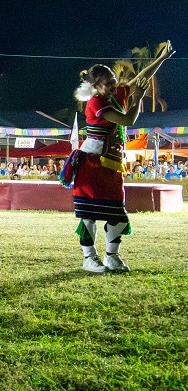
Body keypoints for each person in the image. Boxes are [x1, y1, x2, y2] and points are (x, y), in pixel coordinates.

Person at [65, 42, 175, 272]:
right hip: (91, 164)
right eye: (108, 85)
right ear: (96, 86)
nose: (114, 87)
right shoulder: (95, 102)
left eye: (115, 83)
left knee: (119, 215)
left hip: (112, 166)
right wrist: (137, 100)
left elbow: (139, 78)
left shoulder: (115, 96)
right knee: (89, 215)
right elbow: (128, 121)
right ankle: (89, 258)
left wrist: (160, 59)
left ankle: (111, 257)